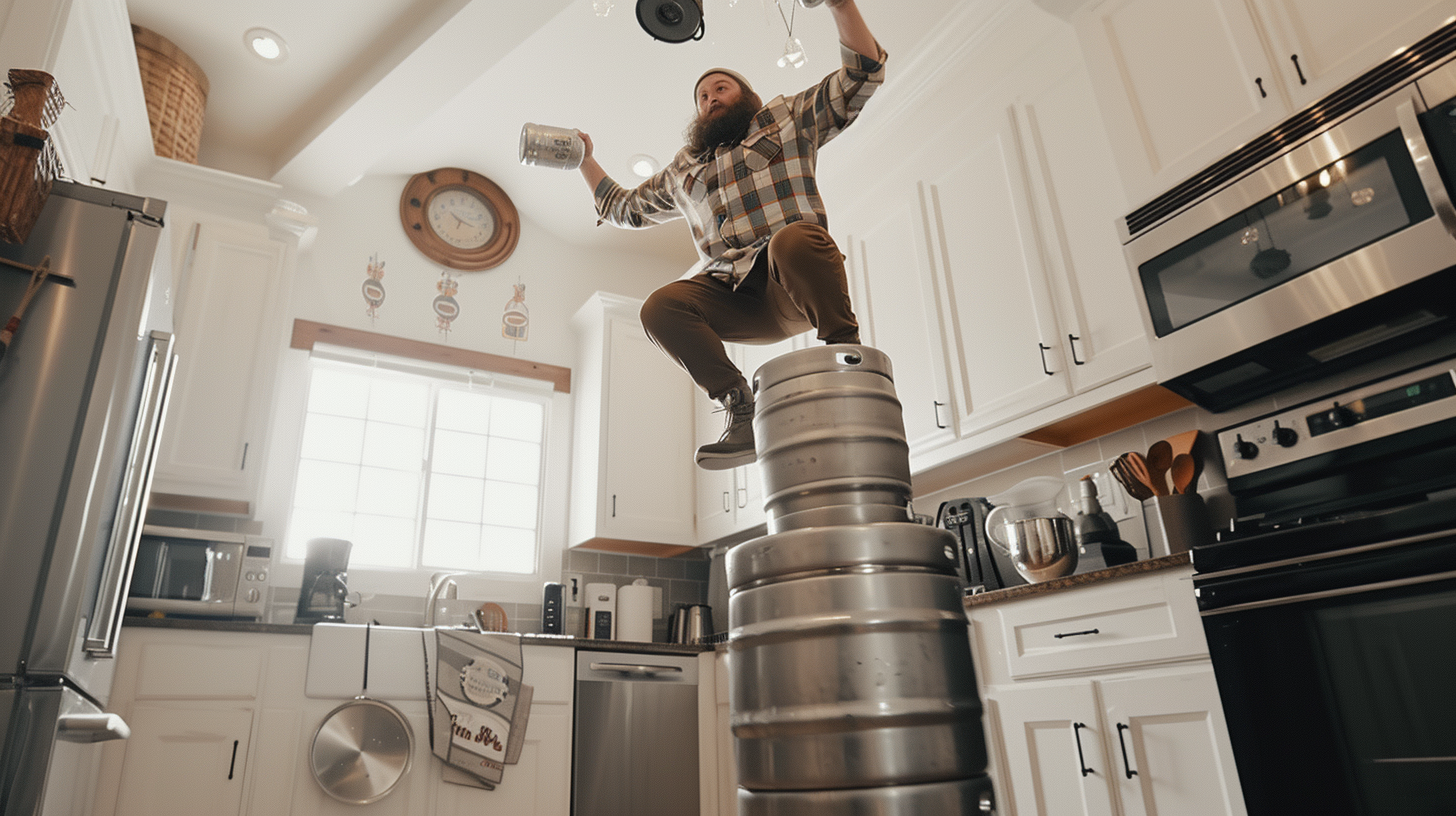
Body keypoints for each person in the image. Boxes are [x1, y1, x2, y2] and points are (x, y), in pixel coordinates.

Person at [576, 0, 885, 470]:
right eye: (702, 97)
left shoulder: (785, 120)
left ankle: (849, 359)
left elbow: (859, 76)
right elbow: (622, 208)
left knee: (789, 239)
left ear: (748, 96)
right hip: (734, 298)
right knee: (659, 306)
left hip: (796, 280)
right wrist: (584, 159)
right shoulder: (684, 170)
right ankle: (741, 408)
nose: (710, 98)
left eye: (721, 87)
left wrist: (841, 6)